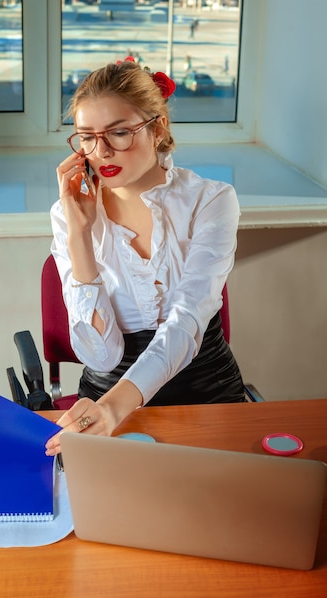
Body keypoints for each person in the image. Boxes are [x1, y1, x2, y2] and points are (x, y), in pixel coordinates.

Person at [45, 58, 245, 457]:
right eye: (87, 137)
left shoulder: (212, 201)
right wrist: (80, 235)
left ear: (158, 128)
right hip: (105, 399)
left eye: (119, 132)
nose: (101, 152)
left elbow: (188, 319)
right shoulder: (68, 214)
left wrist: (115, 408)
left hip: (204, 391)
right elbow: (100, 355)